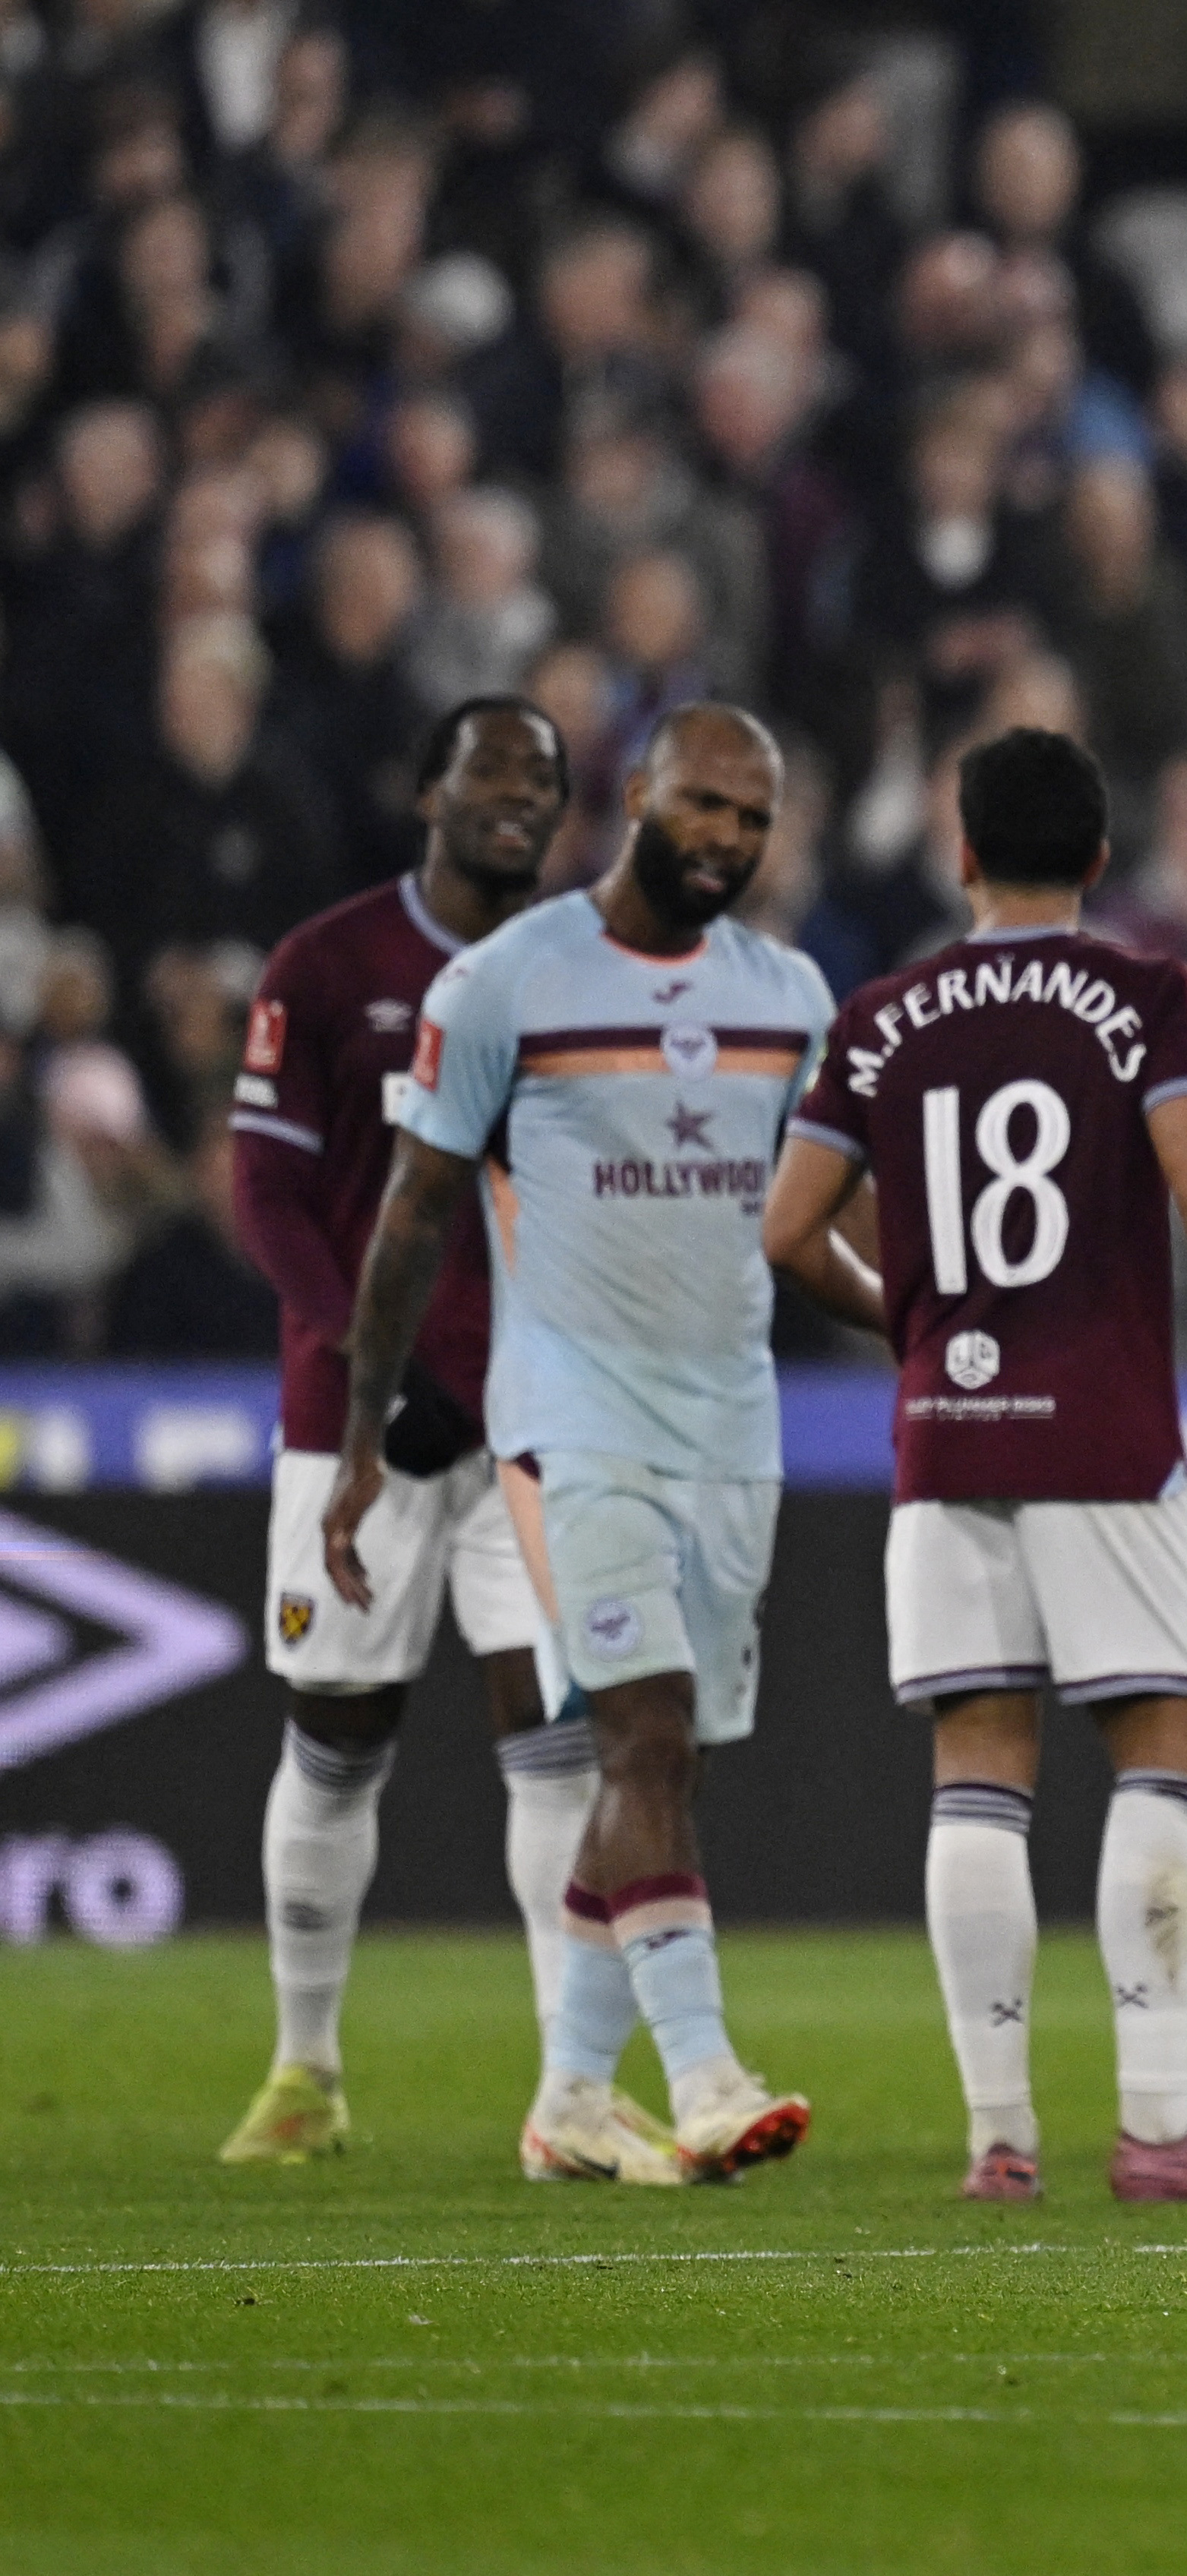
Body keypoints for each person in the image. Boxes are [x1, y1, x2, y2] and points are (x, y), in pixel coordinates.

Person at [762, 726, 1187, 2205]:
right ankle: (1157, 2120)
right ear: (1099, 858)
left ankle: (998, 2139)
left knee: (980, 1766)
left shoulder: (883, 1011)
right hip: (1099, 1424)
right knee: (1169, 1747)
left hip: (946, 1435)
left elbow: (784, 1230)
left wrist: (912, 1324)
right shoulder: (1146, 991)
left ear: (962, 855)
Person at [324, 703, 835, 2186]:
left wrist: (906, 1320)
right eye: (706, 807)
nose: (729, 839)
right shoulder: (507, 982)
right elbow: (414, 1213)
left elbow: (818, 1220)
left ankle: (568, 2097)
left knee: (663, 1767)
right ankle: (708, 2072)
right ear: (635, 796)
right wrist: (361, 1438)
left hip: (731, 1426)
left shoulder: (790, 996)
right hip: (566, 1421)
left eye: (755, 815)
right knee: (645, 1733)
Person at [217, 696, 588, 2167]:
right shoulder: (326, 967)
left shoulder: (587, 972)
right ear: (429, 789)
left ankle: (570, 2091)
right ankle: (305, 2069)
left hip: (531, 1427)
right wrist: (371, 1364)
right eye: (490, 769)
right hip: (355, 1429)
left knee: (555, 1736)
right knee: (338, 1732)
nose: (517, 796)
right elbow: (268, 1196)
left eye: (543, 779)